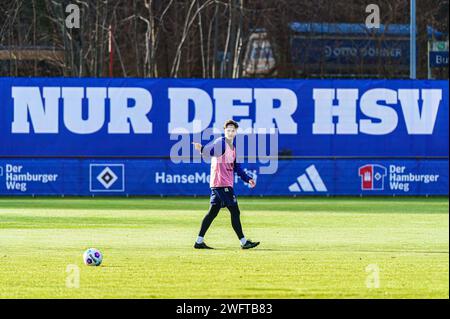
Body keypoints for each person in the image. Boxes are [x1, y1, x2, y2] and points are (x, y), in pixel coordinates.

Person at [192, 119, 260, 250]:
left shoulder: (233, 148)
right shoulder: (221, 143)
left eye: (233, 130)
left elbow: (237, 167)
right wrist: (201, 149)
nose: (230, 132)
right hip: (222, 184)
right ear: (224, 131)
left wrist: (248, 179)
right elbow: (210, 152)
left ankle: (198, 242)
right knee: (235, 211)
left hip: (220, 184)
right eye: (228, 130)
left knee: (212, 213)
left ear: (236, 132)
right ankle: (244, 242)